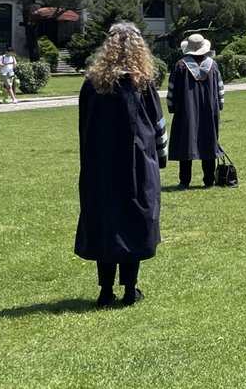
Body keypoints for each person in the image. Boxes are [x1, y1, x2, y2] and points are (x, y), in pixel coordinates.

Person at [75, 22, 167, 307]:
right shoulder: (142, 83)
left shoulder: (93, 83)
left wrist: (88, 160)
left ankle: (105, 290)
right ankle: (130, 289)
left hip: (101, 165)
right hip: (136, 164)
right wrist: (160, 158)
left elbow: (83, 126)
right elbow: (158, 125)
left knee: (105, 221)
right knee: (134, 219)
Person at [167, 33, 225, 189]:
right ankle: (209, 179)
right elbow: (220, 89)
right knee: (209, 141)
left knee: (186, 141)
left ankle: (184, 181)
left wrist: (172, 107)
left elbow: (171, 90)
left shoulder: (180, 66)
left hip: (186, 110)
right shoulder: (213, 66)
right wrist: (219, 105)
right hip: (209, 110)